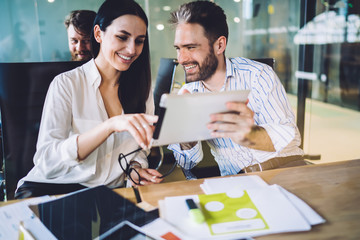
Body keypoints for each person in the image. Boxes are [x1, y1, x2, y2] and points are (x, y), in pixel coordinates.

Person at [15, 0, 163, 199]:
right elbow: (46, 160)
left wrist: (135, 168)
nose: (131, 50)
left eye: (139, 41)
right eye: (122, 37)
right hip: (56, 187)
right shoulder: (66, 84)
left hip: (109, 193)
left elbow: (137, 150)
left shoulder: (142, 89)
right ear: (98, 34)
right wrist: (109, 126)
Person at [167, 1, 305, 178]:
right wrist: (186, 135)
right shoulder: (188, 94)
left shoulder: (257, 74)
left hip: (286, 167)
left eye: (191, 47)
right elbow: (187, 164)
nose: (182, 59)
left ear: (219, 45)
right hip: (238, 179)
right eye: (178, 48)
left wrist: (251, 135)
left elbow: (290, 138)